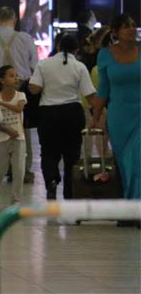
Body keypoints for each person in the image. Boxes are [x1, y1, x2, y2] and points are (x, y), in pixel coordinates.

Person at [29, 34, 96, 200]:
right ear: (76, 49)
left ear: (58, 47)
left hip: (48, 114)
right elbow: (90, 96)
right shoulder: (79, 66)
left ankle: (51, 181)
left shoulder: (43, 64)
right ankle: (70, 193)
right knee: (72, 156)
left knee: (49, 153)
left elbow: (34, 89)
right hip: (72, 113)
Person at [0, 6, 38, 184]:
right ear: (14, 20)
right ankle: (22, 171)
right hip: (19, 86)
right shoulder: (25, 38)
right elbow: (34, 65)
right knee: (21, 128)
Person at [90, 14, 140, 201]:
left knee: (138, 157)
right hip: (119, 116)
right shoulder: (105, 54)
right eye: (126, 26)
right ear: (116, 32)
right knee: (125, 164)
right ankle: (130, 206)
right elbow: (103, 89)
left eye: (133, 25)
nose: (131, 29)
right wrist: (95, 118)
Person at [0, 65, 27, 206]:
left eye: (16, 75)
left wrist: (2, 103)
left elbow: (19, 108)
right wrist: (7, 130)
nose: (15, 78)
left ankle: (16, 199)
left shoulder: (20, 96)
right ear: (2, 80)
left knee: (19, 170)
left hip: (18, 138)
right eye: (11, 75)